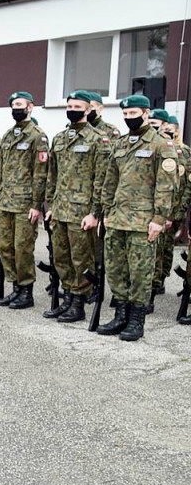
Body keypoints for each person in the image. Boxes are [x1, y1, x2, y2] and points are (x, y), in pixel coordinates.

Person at [97, 95, 179, 341]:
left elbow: (166, 186)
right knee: (116, 269)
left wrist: (159, 218)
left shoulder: (161, 145)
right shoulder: (120, 144)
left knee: (141, 271)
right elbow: (110, 181)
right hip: (117, 218)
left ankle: (136, 320)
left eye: (134, 113)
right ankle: (121, 315)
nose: (129, 118)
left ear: (145, 113)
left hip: (143, 221)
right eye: (126, 114)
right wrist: (106, 212)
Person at [42, 91, 112, 323]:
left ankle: (79, 303)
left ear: (88, 110)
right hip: (60, 210)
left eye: (77, 106)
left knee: (81, 260)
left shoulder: (98, 140)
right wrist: (50, 204)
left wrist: (95, 213)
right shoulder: (60, 138)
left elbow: (101, 180)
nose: (72, 109)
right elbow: (53, 176)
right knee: (61, 258)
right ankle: (68, 299)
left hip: (82, 212)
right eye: (69, 105)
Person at [0, 91, 48, 310]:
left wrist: (37, 205)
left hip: (25, 204)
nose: (15, 107)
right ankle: (15, 287)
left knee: (22, 248)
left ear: (30, 107)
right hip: (6, 201)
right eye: (13, 104)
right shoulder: (7, 135)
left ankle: (26, 291)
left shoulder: (37, 136)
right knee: (5, 247)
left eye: (19, 104)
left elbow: (41, 173)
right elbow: (1, 171)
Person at [152, 115, 190, 305]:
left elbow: (185, 185)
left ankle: (159, 279)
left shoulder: (184, 152)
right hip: (153, 208)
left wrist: (179, 211)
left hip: (172, 208)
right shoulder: (154, 147)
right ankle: (153, 281)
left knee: (164, 247)